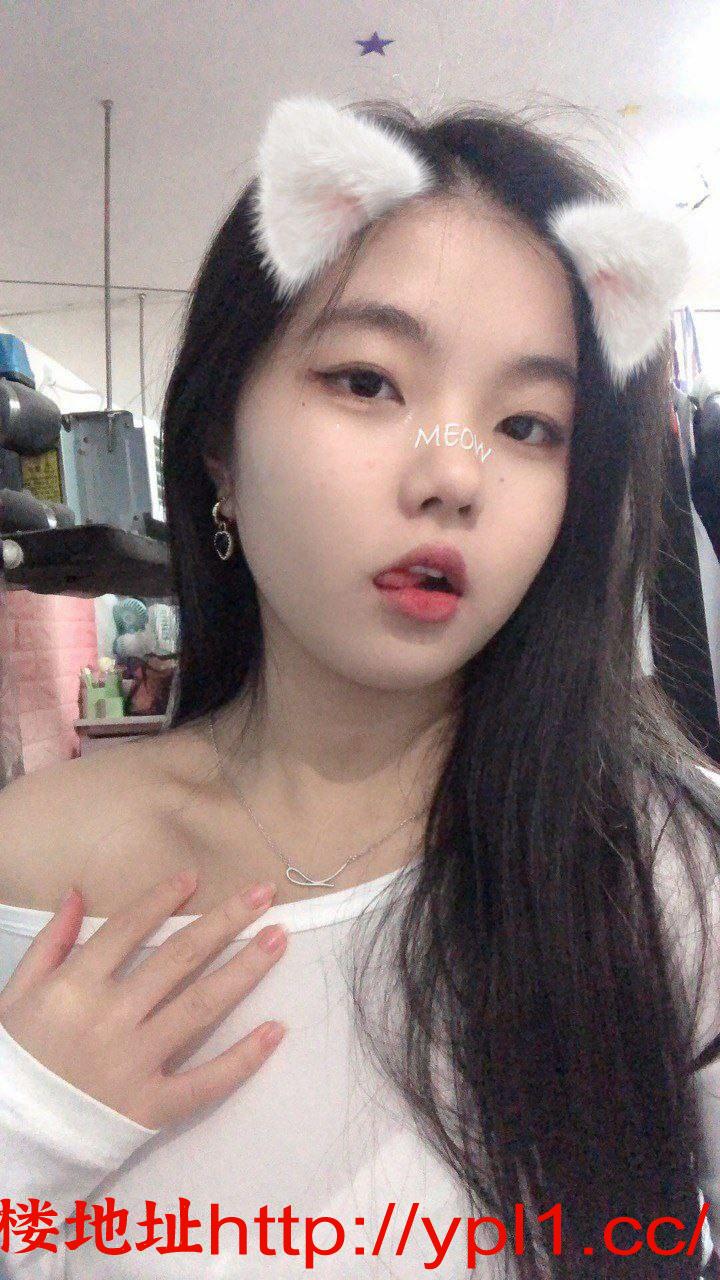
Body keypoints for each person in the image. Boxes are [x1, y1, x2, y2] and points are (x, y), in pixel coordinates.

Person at [0, 93, 718, 1280]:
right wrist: (27, 1128)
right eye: (371, 382)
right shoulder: (29, 866)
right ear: (220, 445)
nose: (454, 475)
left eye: (529, 423)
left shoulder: (660, 864)